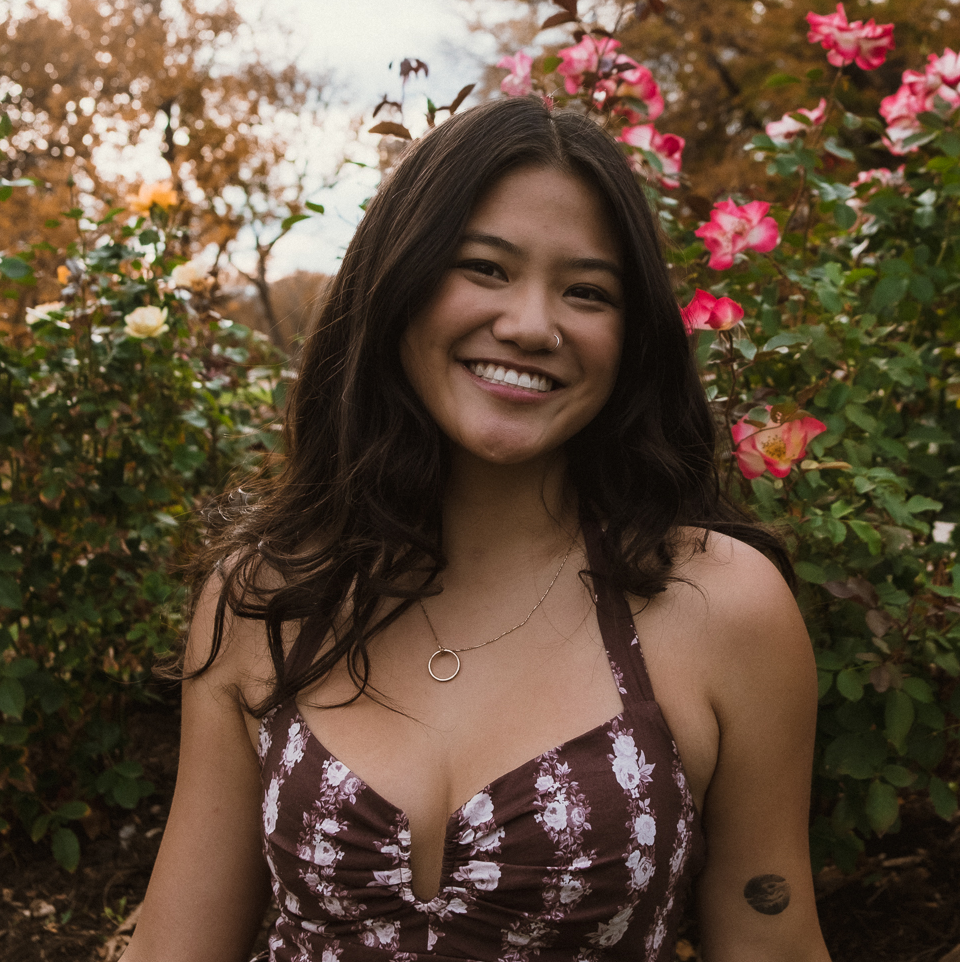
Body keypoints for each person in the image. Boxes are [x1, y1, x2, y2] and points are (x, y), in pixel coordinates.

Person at [123, 97, 831, 962]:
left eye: (587, 291)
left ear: (633, 336)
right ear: (400, 286)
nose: (532, 325)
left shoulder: (722, 609)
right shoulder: (270, 596)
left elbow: (773, 936)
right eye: (486, 269)